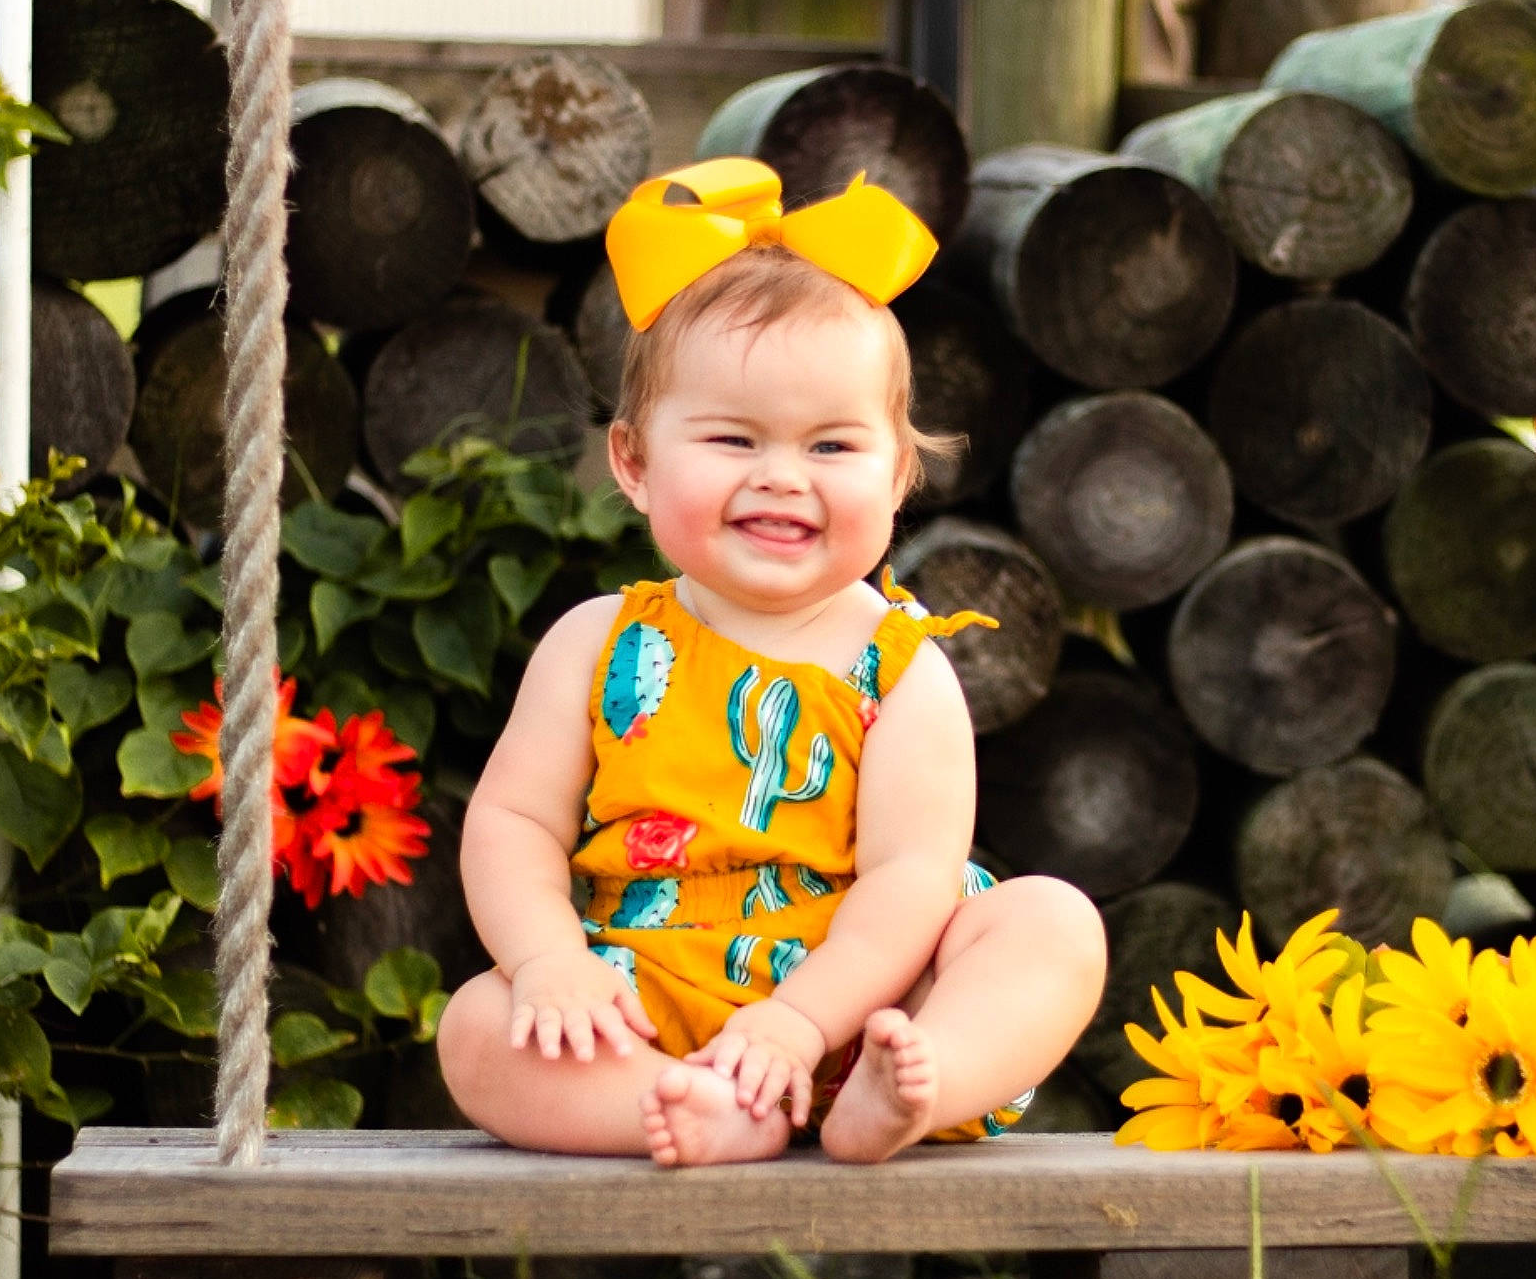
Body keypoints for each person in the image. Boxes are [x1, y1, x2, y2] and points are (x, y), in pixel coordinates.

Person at [436, 158, 1107, 1166]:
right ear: (632, 462)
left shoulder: (901, 670)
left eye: (832, 448)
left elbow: (909, 880)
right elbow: (513, 822)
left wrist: (801, 1023)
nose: (780, 479)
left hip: (867, 1004)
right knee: (478, 1031)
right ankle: (690, 1111)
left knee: (1051, 926)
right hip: (648, 1001)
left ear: (897, 477)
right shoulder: (598, 643)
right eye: (732, 439)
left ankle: (913, 1088)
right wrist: (547, 963)